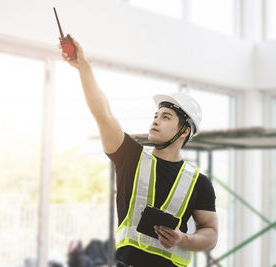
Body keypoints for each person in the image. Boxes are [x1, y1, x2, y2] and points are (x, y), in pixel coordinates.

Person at [59, 38, 218, 267]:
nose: (155, 121)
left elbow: (210, 232)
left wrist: (183, 238)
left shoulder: (199, 183)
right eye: (155, 116)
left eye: (166, 117)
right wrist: (83, 66)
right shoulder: (129, 157)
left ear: (183, 131)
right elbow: (103, 113)